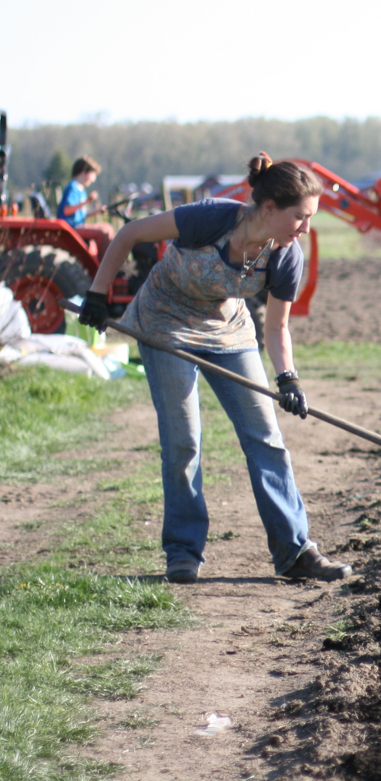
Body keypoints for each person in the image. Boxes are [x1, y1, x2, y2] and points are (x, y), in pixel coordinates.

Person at [78, 153, 352, 584]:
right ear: (268, 209)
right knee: (184, 439)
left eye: (311, 219)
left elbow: (277, 327)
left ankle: (295, 550)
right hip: (165, 322)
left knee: (266, 437)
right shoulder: (210, 219)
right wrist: (98, 293)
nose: (305, 229)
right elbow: (130, 233)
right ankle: (183, 552)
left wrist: (288, 378)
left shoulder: (286, 257)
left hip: (229, 330)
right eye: (300, 218)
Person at [58, 156, 114, 259]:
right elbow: (66, 210)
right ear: (84, 170)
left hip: (78, 225)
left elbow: (81, 216)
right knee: (103, 232)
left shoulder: (81, 189)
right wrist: (86, 202)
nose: (94, 179)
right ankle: (105, 267)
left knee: (108, 227)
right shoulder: (73, 187)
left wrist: (97, 211)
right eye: (93, 174)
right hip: (71, 228)